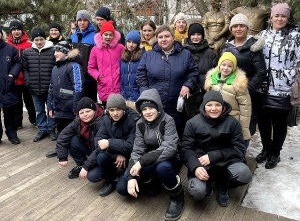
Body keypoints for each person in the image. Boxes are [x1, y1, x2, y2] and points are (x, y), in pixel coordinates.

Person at [117, 89, 184, 221]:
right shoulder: (140, 124)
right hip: (148, 159)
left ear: (158, 107)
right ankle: (152, 183)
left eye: (151, 108)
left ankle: (177, 198)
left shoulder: (168, 120)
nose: (147, 112)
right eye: (144, 109)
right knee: (122, 189)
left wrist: (141, 162)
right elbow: (137, 150)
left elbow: (169, 147)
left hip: (170, 158)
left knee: (162, 168)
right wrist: (131, 176)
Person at [181, 90, 252, 207]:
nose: (213, 108)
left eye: (217, 105)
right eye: (209, 105)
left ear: (223, 106)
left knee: (245, 174)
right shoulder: (192, 123)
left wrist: (214, 155)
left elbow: (239, 149)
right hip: (202, 163)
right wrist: (195, 167)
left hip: (225, 161)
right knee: (198, 192)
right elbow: (186, 148)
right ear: (204, 106)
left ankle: (222, 187)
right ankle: (207, 183)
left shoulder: (233, 123)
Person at [255, 3, 300, 169]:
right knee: (263, 121)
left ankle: (275, 153)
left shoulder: (295, 35)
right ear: (271, 17)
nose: (279, 19)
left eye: (283, 16)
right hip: (262, 87)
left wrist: (289, 76)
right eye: (277, 15)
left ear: (288, 18)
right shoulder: (262, 34)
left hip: (283, 88)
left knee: (279, 122)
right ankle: (266, 148)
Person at [136, 25, 199, 139]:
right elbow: (141, 75)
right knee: (156, 135)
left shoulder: (185, 54)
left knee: (177, 134)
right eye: (160, 37)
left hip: (177, 105)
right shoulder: (149, 55)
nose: (163, 39)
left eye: (167, 36)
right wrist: (145, 93)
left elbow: (193, 72)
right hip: (155, 104)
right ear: (157, 39)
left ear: (173, 37)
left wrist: (188, 85)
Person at [81, 94, 139, 196]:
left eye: (118, 110)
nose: (115, 113)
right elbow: (98, 141)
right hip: (114, 157)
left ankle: (125, 177)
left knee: (122, 190)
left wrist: (109, 143)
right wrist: (116, 155)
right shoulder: (106, 119)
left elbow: (131, 146)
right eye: (111, 110)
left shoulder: (132, 122)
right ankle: (112, 180)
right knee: (94, 173)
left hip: (129, 159)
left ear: (124, 109)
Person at [222, 13, 267, 135]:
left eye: (242, 25)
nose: (238, 29)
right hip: (229, 93)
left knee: (246, 126)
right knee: (228, 124)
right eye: (235, 26)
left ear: (247, 28)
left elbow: (261, 72)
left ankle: (242, 152)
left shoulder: (254, 47)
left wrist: (246, 89)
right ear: (231, 29)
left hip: (248, 94)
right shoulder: (226, 47)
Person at [46, 41, 85, 158]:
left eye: (57, 51)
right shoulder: (55, 68)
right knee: (61, 130)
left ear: (65, 52)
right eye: (54, 51)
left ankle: (77, 151)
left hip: (70, 108)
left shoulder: (74, 66)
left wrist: (76, 107)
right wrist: (50, 106)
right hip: (59, 107)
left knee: (73, 131)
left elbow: (79, 88)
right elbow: (51, 88)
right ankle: (60, 149)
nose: (55, 54)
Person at [204, 52, 251, 145]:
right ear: (219, 65)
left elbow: (245, 107)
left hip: (232, 119)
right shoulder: (211, 80)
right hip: (216, 118)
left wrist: (243, 127)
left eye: (229, 66)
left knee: (232, 143)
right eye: (223, 65)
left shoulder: (238, 83)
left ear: (233, 68)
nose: (225, 68)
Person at [56, 97, 103, 179]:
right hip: (90, 147)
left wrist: (87, 166)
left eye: (88, 111)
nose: (85, 114)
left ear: (94, 110)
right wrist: (62, 157)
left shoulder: (102, 121)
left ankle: (91, 167)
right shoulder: (78, 120)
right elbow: (63, 135)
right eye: (81, 112)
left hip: (101, 152)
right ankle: (81, 164)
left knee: (92, 176)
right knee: (72, 140)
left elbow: (100, 149)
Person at [22, 28, 56, 142]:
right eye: (36, 40)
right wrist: (28, 82)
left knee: (51, 109)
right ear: (33, 40)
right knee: (39, 110)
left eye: (41, 39)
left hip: (49, 87)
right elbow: (25, 69)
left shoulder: (53, 51)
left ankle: (51, 128)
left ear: (44, 39)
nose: (39, 42)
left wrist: (54, 83)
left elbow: (56, 67)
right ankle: (42, 128)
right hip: (34, 87)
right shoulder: (27, 52)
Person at [183, 23, 218, 117]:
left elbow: (215, 74)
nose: (196, 37)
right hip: (188, 93)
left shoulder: (211, 53)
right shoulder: (183, 52)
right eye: (193, 35)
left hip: (205, 94)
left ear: (202, 36)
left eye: (198, 34)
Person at [6, 20, 36, 128]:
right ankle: (18, 122)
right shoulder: (7, 45)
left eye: (18, 29)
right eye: (14, 29)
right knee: (16, 103)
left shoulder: (29, 44)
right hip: (14, 79)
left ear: (22, 31)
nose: (16, 31)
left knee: (30, 102)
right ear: (11, 31)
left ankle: (34, 119)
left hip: (27, 79)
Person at [88, 21, 124, 107]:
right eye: (106, 34)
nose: (108, 37)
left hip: (118, 85)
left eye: (110, 35)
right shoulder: (95, 50)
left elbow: (126, 62)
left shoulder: (120, 48)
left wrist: (119, 71)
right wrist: (98, 76)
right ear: (101, 35)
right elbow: (91, 68)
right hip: (104, 86)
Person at [0, 26, 22, 145]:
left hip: (7, 85)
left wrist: (12, 75)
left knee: (10, 113)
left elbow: (18, 63)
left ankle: (12, 134)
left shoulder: (10, 48)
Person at [70, 10, 97, 101]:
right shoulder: (73, 37)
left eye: (85, 20)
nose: (82, 23)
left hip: (89, 78)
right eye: (80, 20)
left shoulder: (95, 37)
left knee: (90, 104)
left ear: (89, 21)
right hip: (75, 77)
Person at [120, 30, 144, 101]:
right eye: (129, 41)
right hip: (124, 94)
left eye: (134, 42)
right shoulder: (122, 57)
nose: (130, 45)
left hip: (137, 94)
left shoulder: (142, 56)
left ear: (138, 44)